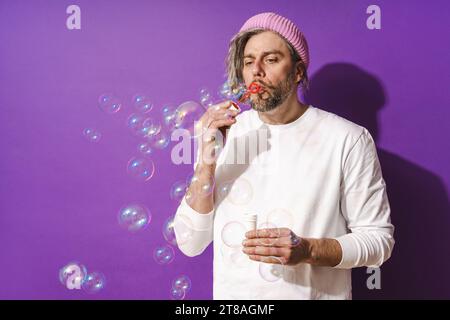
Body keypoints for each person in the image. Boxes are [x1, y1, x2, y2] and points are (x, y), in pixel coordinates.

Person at [173, 12, 395, 299]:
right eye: (249, 61)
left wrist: (308, 250)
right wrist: (205, 163)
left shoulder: (349, 139)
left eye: (271, 59)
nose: (257, 71)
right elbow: (190, 243)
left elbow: (379, 241)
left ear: (298, 71)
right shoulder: (223, 135)